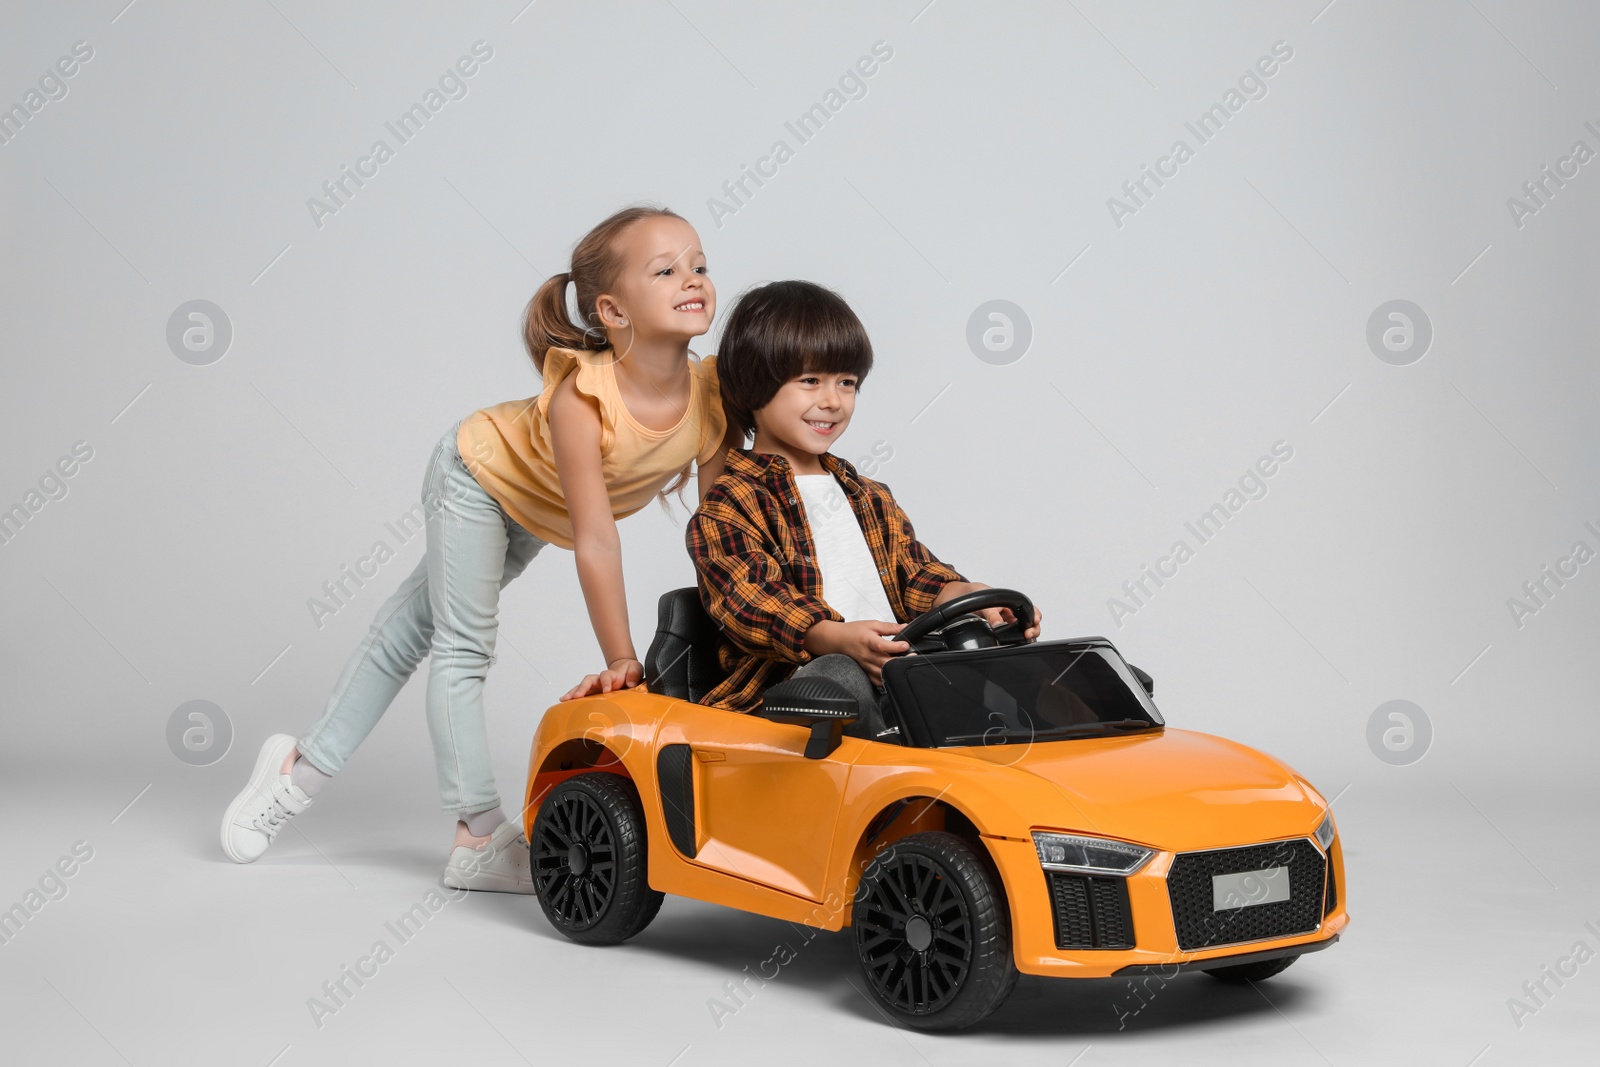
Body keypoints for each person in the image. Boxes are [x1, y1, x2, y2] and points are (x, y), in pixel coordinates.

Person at [221, 206, 739, 890]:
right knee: (463, 646)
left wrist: (741, 628)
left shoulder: (711, 393)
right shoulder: (582, 395)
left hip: (532, 512)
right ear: (612, 310)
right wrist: (621, 657)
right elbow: (595, 538)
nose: (692, 278)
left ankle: (299, 770)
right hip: (477, 478)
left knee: (411, 629)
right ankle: (477, 832)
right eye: (666, 269)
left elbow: (722, 529)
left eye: (699, 263)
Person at [687, 280, 1040, 729]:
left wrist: (969, 598)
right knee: (838, 675)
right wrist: (835, 638)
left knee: (990, 653)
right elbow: (753, 601)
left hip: (894, 673)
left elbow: (915, 574)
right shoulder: (730, 504)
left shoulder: (868, 495)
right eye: (810, 381)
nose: (832, 401)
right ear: (755, 386)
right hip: (790, 692)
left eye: (847, 383)